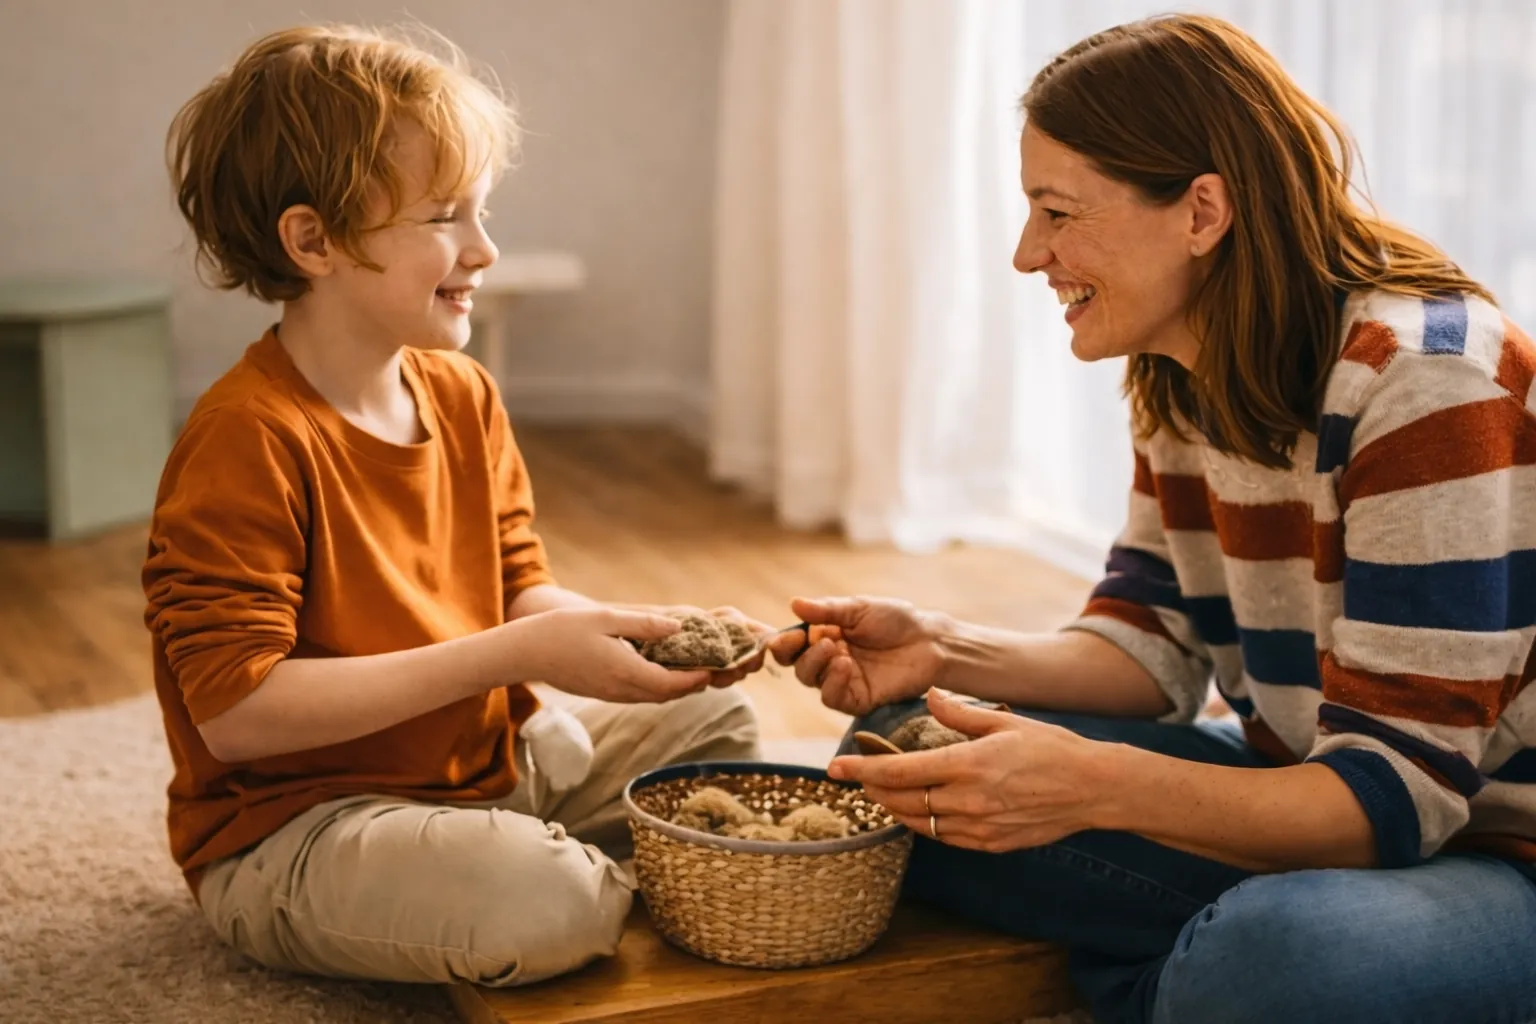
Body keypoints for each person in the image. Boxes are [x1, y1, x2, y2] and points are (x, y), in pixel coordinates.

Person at [769, 14, 1536, 1024]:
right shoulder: (1185, 369)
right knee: (901, 751)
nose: (1027, 254)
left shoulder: (1427, 379)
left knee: (1280, 958)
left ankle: (1189, 975)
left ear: (1201, 211)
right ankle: (1181, 980)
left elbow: (1394, 797)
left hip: (1495, 849)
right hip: (1306, 787)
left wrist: (1091, 786)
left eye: (1056, 212)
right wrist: (943, 651)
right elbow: (1154, 646)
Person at [143, 24, 762, 988]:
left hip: (484, 776)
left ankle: (522, 866)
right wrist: (516, 655)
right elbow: (238, 715)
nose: (484, 248)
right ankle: (550, 882)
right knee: (545, 901)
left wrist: (647, 636)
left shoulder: (462, 393)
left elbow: (517, 587)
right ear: (312, 241)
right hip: (302, 828)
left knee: (717, 726)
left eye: (481, 210)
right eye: (443, 217)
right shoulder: (246, 437)